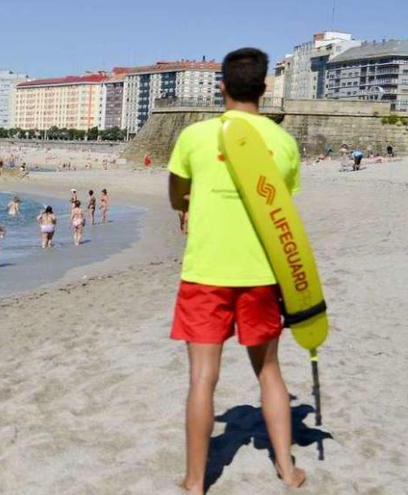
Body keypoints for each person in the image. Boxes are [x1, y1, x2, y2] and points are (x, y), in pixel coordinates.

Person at [167, 47, 306, 493]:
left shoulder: (196, 136)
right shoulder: (284, 143)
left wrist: (185, 207)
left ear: (221, 86)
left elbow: (176, 191)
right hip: (261, 274)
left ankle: (194, 481)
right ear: (265, 89)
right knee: (269, 372)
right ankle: (287, 468)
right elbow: (280, 205)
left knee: (203, 378)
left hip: (206, 271)